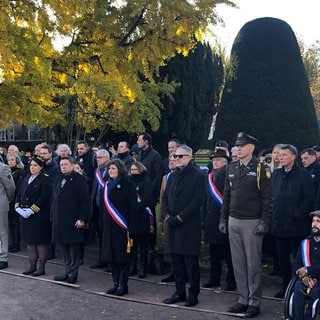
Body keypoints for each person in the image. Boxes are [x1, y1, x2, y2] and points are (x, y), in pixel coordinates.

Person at [219, 132, 273, 318]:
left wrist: (265, 222)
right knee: (238, 263)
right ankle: (243, 298)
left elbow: (267, 199)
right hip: (234, 220)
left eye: (242, 146)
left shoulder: (260, 168)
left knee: (253, 264)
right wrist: (222, 219)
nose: (238, 148)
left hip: (252, 221)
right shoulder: (232, 167)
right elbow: (227, 196)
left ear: (251, 148)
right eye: (237, 145)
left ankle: (254, 301)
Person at [161, 145, 205, 307]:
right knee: (176, 260)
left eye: (180, 156)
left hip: (188, 224)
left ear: (189, 157)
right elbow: (165, 197)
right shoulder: (172, 176)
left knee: (190, 262)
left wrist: (180, 217)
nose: (176, 159)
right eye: (175, 156)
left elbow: (198, 200)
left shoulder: (198, 176)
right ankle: (179, 291)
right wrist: (167, 215)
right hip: (172, 223)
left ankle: (193, 294)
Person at [271, 144, 315, 298]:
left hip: (296, 226)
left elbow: (309, 197)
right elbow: (272, 196)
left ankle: (301, 288)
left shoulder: (303, 175)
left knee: (299, 258)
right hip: (279, 224)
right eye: (279, 155)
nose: (280, 157)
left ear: (293, 156)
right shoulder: (276, 174)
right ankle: (285, 286)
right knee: (282, 258)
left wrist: (298, 213)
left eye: (284, 155)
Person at [101, 159, 138, 296]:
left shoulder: (128, 185)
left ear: (120, 170)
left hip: (122, 227)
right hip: (109, 227)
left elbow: (133, 208)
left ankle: (123, 284)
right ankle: (115, 283)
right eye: (109, 168)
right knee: (112, 258)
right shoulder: (106, 185)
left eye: (114, 168)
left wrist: (131, 227)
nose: (111, 171)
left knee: (122, 258)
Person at [51, 156, 90, 284]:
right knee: (64, 249)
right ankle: (67, 272)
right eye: (61, 164)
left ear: (72, 165)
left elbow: (85, 201)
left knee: (73, 249)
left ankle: (73, 274)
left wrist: (82, 218)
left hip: (73, 220)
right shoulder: (58, 178)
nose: (63, 166)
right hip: (60, 220)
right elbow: (55, 199)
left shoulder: (79, 180)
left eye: (66, 164)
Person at [202, 149, 236, 291]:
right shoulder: (209, 176)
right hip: (211, 219)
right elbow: (204, 200)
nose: (215, 162)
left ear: (225, 162)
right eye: (213, 160)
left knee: (229, 254)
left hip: (225, 219)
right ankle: (214, 278)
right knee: (214, 254)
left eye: (218, 160)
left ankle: (231, 280)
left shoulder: (230, 176)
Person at [15, 156, 52, 276]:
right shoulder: (27, 178)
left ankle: (41, 268)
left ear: (41, 167)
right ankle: (32, 266)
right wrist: (18, 207)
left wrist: (32, 210)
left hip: (39, 216)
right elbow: (19, 193)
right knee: (30, 242)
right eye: (31, 165)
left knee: (40, 242)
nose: (32, 167)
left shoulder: (45, 180)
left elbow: (44, 198)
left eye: (35, 165)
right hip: (25, 215)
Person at [136, 133, 163, 250]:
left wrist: (152, 191)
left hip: (149, 194)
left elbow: (158, 175)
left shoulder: (155, 156)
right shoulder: (140, 155)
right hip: (139, 193)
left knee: (150, 219)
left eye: (139, 140)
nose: (137, 142)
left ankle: (151, 246)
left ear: (146, 141)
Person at [291, 210, 320, 320]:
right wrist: (303, 275)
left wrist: (308, 270)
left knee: (315, 291)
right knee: (298, 287)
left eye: (318, 221)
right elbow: (296, 264)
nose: (315, 224)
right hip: (307, 279)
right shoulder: (306, 242)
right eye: (313, 221)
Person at [128, 162, 153, 278]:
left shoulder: (146, 183)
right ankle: (132, 266)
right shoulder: (129, 182)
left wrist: (135, 209)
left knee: (143, 244)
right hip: (131, 218)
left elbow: (146, 200)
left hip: (142, 216)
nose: (133, 172)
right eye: (132, 169)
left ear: (141, 170)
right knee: (132, 244)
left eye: (135, 170)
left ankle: (143, 267)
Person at [89, 149, 110, 268]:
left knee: (106, 234)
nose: (98, 159)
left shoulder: (109, 169)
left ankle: (107, 259)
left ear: (107, 158)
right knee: (100, 233)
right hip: (97, 205)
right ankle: (102, 258)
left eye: (100, 157)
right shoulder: (97, 170)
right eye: (97, 157)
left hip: (106, 206)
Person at [7, 154, 27, 253]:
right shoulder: (7, 172)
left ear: (17, 161)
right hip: (8, 202)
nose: (10, 161)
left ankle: (16, 244)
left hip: (15, 201)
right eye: (9, 160)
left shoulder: (21, 173)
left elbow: (19, 187)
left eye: (12, 160)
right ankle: (11, 243)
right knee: (10, 224)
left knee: (16, 224)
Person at [0, 161, 15, 269]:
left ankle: (3, 258)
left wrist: (6, 199)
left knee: (2, 231)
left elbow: (11, 187)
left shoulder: (3, 168)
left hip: (0, 204)